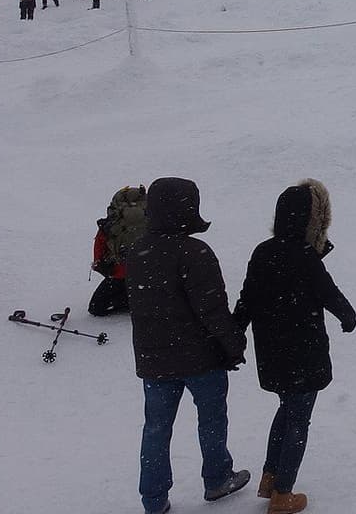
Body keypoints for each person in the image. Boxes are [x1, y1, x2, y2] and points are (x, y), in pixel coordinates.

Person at [233, 181, 356, 513]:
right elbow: (328, 293)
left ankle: (270, 478)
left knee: (286, 411)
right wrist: (347, 316)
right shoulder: (304, 256)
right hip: (304, 354)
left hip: (273, 354)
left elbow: (247, 298)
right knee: (299, 420)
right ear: (309, 221)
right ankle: (283, 494)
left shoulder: (262, 252)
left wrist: (235, 331)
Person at [127, 177, 250, 510]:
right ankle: (217, 479)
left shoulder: (137, 251)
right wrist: (234, 346)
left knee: (156, 429)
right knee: (211, 420)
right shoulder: (195, 253)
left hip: (154, 361)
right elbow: (213, 311)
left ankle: (153, 499)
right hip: (201, 360)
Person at [89, 185, 149, 317]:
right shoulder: (153, 221)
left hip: (119, 274)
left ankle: (130, 300)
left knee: (96, 308)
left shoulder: (111, 223)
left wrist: (102, 266)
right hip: (149, 275)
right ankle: (142, 299)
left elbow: (99, 251)